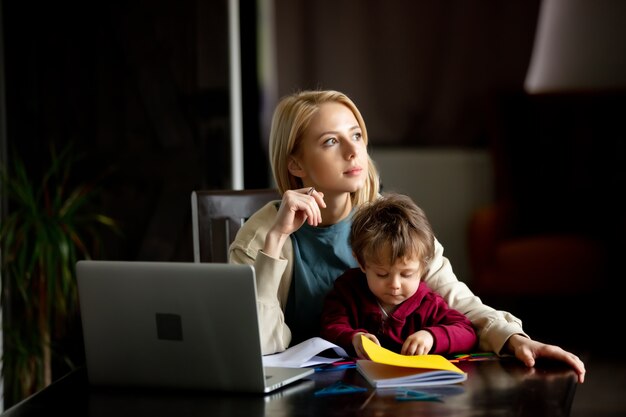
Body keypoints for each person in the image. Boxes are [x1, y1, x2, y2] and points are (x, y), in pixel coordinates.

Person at [228, 89, 585, 383]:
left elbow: (455, 298)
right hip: (296, 393)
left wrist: (514, 338)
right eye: (330, 141)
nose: (354, 152)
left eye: (356, 135)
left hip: (379, 387)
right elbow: (257, 344)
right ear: (296, 164)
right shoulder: (261, 235)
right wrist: (274, 242)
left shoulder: (386, 220)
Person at [320, 192, 477, 358]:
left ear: (423, 266)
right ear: (361, 262)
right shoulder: (348, 290)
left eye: (407, 274)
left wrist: (431, 337)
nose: (395, 284)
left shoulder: (428, 304)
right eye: (382, 274)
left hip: (415, 381)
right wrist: (354, 338)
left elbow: (467, 332)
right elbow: (329, 326)